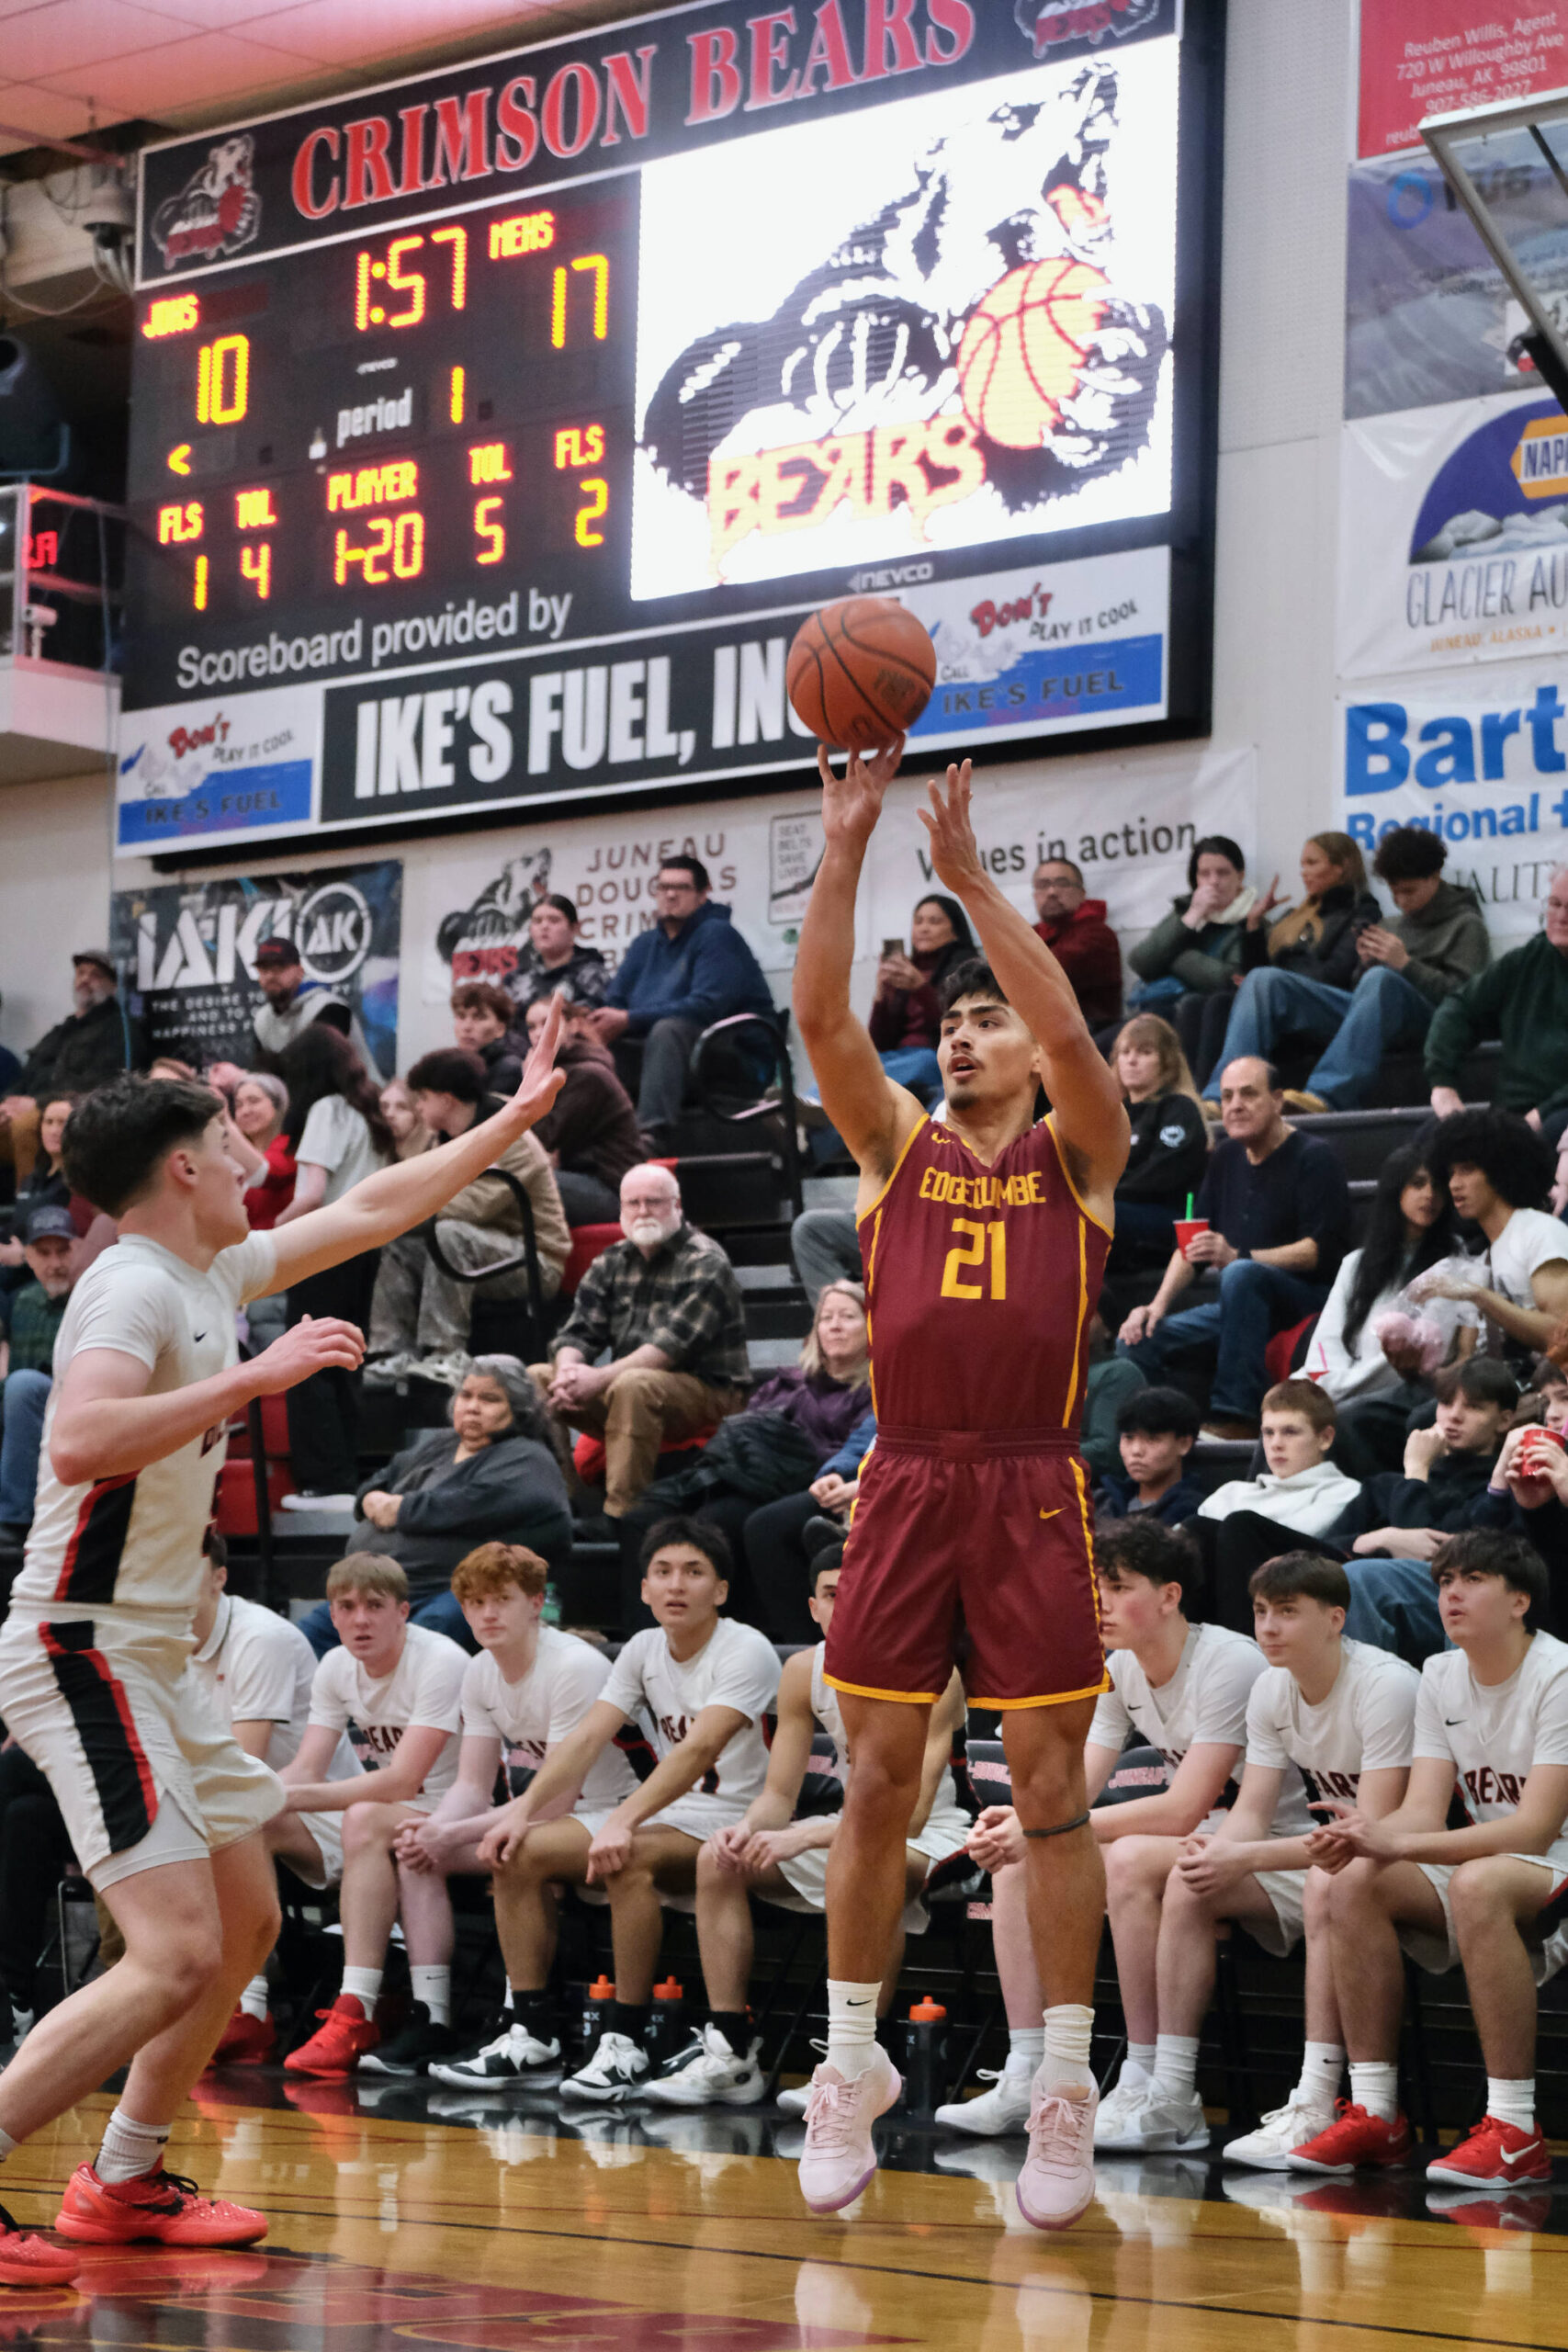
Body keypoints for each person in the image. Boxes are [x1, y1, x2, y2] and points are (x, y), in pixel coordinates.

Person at [0, 1011, 567, 2282]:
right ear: (186, 1168)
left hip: (152, 1658)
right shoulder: (136, 1284)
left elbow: (373, 1211)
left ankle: (126, 2179)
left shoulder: (207, 1268)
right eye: (223, 1126)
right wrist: (252, 1386)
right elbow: (81, 1441)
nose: (248, 1134)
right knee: (177, 1951)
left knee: (246, 1922)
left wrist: (510, 1126)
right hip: (84, 1648)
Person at [790, 744, 1129, 2230]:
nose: (971, 1040)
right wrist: (848, 844)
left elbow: (1073, 1043)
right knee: (873, 1777)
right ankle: (848, 2063)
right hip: (908, 1480)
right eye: (957, 1027)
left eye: (993, 1021)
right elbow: (817, 1018)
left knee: (1050, 1796)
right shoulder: (892, 1151)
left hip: (1034, 1490)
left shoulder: (1085, 1159)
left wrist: (979, 889)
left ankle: (1062, 2083)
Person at [954, 1519, 1281, 2148]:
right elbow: (1074, 1787)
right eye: (1093, 1587)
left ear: (1169, 1596)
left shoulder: (1229, 1661)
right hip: (1192, 1841)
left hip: (1260, 1841)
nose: (1099, 1602)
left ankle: (1149, 2078)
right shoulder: (1119, 1667)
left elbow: (1181, 1809)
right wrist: (1019, 1824)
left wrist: (1041, 1828)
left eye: (1118, 1586)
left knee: (1125, 1858)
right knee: (1017, 1863)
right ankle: (1029, 2067)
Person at [650, 1544, 969, 2110]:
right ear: (813, 1609)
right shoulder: (802, 1671)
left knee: (876, 1867)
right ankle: (730, 2047)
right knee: (717, 1861)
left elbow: (910, 1815)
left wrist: (810, 1834)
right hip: (850, 1828)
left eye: (858, 1593)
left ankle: (858, 2058)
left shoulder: (934, 1673)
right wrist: (747, 1830)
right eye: (830, 1595)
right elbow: (777, 1796)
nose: (844, 1606)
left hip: (931, 1835)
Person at [474, 1519, 782, 2102]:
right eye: (663, 1572)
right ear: (643, 1589)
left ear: (720, 1591)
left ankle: (625, 2039)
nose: (676, 1585)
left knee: (627, 1853)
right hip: (670, 1813)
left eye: (694, 1573)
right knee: (518, 1852)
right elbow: (587, 1738)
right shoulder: (642, 1647)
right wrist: (522, 1810)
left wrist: (623, 1818)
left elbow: (698, 1750)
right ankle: (532, 2032)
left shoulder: (747, 1649)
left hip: (738, 1817)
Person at [1300, 1531, 1568, 2188]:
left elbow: (1533, 1830)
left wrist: (1399, 1842)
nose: (1451, 1593)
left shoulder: (1558, 1675)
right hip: (1495, 1861)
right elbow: (1420, 1811)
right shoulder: (1440, 1674)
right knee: (1354, 1881)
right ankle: (1374, 2111)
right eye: (1444, 1580)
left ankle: (1514, 2128)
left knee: (1475, 1884)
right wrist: (1369, 1835)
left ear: (1518, 1601)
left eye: (1472, 1579)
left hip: (1550, 1861)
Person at [1157, 1553, 1420, 2168]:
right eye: (1259, 1612)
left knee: (1332, 1880)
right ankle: (1166, 2091)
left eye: (1286, 1612)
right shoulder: (1272, 1687)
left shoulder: (1387, 1685)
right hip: (1328, 1856)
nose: (1268, 1627)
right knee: (1190, 1879)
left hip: (1399, 1862)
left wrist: (1243, 1854)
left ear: (1335, 1618)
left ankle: (1315, 2097)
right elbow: (1250, 1812)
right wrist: (1224, 1853)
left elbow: (1371, 1833)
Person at [397, 1542, 640, 2090]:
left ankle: (531, 2029)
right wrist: (437, 1831)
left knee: (517, 1850)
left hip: (617, 1811)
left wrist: (455, 1831)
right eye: (475, 1602)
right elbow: (470, 1784)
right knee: (415, 1850)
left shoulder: (573, 1665)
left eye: (501, 1599)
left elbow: (554, 1801)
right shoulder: (480, 1672)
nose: (487, 1614)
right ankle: (431, 2016)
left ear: (535, 1603)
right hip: (553, 1818)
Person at [269, 1555, 468, 2077]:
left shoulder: (440, 1660)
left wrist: (290, 1798)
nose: (361, 1620)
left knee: (364, 1817)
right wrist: (251, 1795)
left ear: (403, 1612)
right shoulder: (335, 1666)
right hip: (396, 1812)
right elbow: (307, 1766)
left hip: (464, 1810)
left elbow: (403, 1779)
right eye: (347, 1607)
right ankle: (248, 2003)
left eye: (375, 1607)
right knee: (250, 1821)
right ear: (331, 1616)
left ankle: (356, 2005)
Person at [193, 1532, 363, 2066]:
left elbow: (249, 1765)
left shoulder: (258, 1637)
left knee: (235, 1818)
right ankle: (150, 1986)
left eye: (184, 1567)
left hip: (326, 1814)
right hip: (238, 1806)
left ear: (219, 1576)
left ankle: (249, 2008)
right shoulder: (158, 1641)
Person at [1118, 1057, 1352, 1440]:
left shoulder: (1315, 1156)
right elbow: (1193, 1245)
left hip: (1307, 1299)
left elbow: (1317, 1251)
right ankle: (1159, 1433)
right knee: (1139, 1337)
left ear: (1277, 1100)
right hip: (1241, 1301)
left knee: (1242, 1275)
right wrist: (1155, 1307)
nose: (1235, 1105)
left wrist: (1238, 1257)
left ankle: (1237, 1414)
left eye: (1248, 1094)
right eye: (1226, 1096)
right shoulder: (1226, 1157)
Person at [628, 1280, 872, 1622]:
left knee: (723, 1520)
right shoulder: (789, 1381)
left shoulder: (874, 1390)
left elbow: (853, 1451)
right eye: (825, 1317)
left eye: (847, 1316)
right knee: (644, 1513)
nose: (833, 1325)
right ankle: (649, 1629)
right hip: (756, 1475)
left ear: (873, 1326)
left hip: (805, 1480)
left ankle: (751, 1630)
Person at [295, 1359, 572, 1657]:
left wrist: (401, 1509)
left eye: (489, 1399)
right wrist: (369, 1499)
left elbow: (472, 1503)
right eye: (466, 1396)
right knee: (301, 1642)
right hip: (374, 1592)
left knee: (423, 1645)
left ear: (518, 1410)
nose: (473, 1407)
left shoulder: (527, 1458)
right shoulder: (441, 1444)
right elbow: (378, 1481)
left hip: (448, 1592)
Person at [1205, 829, 1487, 1115]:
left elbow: (1467, 1002)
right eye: (1394, 892)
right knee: (1263, 980)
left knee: (1381, 980)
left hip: (1429, 1023)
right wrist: (1365, 964)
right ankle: (1223, 1095)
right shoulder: (1391, 924)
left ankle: (1326, 1095)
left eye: (1409, 891)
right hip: (1379, 1017)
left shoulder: (1466, 924)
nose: (1401, 901)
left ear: (1435, 876)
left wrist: (1405, 964)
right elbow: (1362, 995)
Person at [536, 1163, 749, 1519]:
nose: (643, 1211)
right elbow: (579, 1331)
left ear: (677, 1206)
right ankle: (564, 1502)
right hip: (633, 1386)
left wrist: (598, 1379)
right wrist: (567, 1372)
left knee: (635, 1385)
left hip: (712, 1394)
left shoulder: (706, 1261)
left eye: (654, 1202)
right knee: (534, 1379)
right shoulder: (613, 1260)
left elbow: (670, 1349)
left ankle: (622, 1514)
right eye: (632, 1203)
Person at [365, 1048, 569, 1388]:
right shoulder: (441, 1139)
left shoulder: (511, 1136)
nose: (418, 1107)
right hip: (478, 1248)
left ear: (446, 1101)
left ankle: (445, 1353)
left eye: (423, 1098)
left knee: (449, 1233)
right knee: (398, 1240)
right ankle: (393, 1352)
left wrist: (409, 1205)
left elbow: (472, 1207)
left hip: (536, 1259)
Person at [1322, 1359, 1521, 1664]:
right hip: (1370, 1603)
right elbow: (1323, 1549)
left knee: (1360, 1577)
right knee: (1244, 1529)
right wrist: (1375, 1539)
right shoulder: (1387, 1485)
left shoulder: (1496, 1490)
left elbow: (1428, 1554)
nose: (1453, 1416)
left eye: (1473, 1407)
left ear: (1504, 1420)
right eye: (1445, 1403)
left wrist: (1416, 1470)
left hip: (1439, 1605)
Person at [273, 1025, 394, 1507]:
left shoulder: (325, 1110)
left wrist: (262, 1236)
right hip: (367, 1246)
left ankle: (323, 1480)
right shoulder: (368, 1109)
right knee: (344, 1359)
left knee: (309, 1361)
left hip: (325, 1244)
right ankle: (341, 1474)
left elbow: (311, 1196)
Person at [587, 857, 777, 1148]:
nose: (670, 895)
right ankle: (589, 1142)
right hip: (667, 1058)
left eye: (681, 887)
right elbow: (615, 1002)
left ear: (703, 894)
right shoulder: (644, 945)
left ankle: (651, 1139)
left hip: (735, 1056)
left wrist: (629, 1019)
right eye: (663, 887)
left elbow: (706, 1007)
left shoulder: (718, 935)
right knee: (595, 1044)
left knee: (668, 1030)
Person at [1305, 1145, 1467, 1479]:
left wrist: (1338, 1393)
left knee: (1347, 1416)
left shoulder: (1454, 1263)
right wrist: (1329, 1388)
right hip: (1346, 1386)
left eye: (1438, 1186)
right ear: (1396, 1189)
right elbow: (1327, 1343)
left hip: (1418, 1389)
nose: (1430, 1195)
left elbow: (1416, 1359)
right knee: (1284, 1411)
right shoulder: (1356, 1264)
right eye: (1417, 1184)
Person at [1199, 835, 1381, 1109]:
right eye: (1301, 864)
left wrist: (1288, 961)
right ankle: (1201, 1104)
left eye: (1312, 863)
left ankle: (1220, 1095)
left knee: (1265, 981)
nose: (1303, 872)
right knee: (1211, 1004)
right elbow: (1257, 975)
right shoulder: (1294, 915)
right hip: (1286, 1000)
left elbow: (1337, 974)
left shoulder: (1361, 913)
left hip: (1334, 1006)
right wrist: (1254, 926)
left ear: (1341, 867)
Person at [1413, 1110, 1568, 1362]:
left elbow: (1562, 1336)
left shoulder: (1541, 1232)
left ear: (1500, 1171)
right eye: (1451, 1173)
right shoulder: (1488, 1254)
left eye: (1467, 1170)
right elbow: (1467, 1360)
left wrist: (1478, 1295)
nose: (1454, 1184)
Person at [1427, 867, 1568, 1141]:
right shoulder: (1527, 959)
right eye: (1555, 904)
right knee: (1430, 1142)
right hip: (1512, 1113)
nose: (1562, 917)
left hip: (1558, 1114)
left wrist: (1542, 1113)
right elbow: (1459, 1008)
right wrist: (1442, 1084)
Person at [1127, 836, 1256, 1090]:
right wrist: (1192, 917)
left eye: (1222, 873)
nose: (1213, 881)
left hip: (1210, 1012)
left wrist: (1177, 956)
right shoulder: (1185, 912)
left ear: (1240, 877)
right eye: (1204, 874)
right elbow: (1141, 961)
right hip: (1163, 1007)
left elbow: (1227, 978)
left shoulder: (1251, 920)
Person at [523, 992, 644, 1225]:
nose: (539, 1033)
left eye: (548, 1023)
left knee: (519, 1184)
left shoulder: (588, 1075)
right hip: (583, 1178)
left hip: (615, 1192)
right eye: (531, 1027)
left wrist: (531, 1083)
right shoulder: (566, 1070)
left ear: (574, 1025)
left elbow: (542, 1137)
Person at [0, 1207, 78, 1558]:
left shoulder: (91, 1297)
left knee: (22, 1385)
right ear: (27, 1256)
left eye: (62, 1251)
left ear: (77, 1249)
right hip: (27, 1410)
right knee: (19, 1387)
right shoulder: (21, 1302)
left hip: (78, 1407)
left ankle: (15, 1518)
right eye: (44, 1253)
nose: (55, 1263)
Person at [1106, 1014, 1209, 1274]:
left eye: (1144, 1051)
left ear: (1167, 1063)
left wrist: (1102, 1196)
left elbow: (1163, 1174)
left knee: (1092, 1215)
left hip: (1165, 1218)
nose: (1131, 1060)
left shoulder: (1179, 1109)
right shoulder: (1111, 1115)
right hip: (1117, 1209)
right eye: (1125, 1052)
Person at [2, 952, 148, 1135]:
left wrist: (37, 1103)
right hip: (32, 1108)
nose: (85, 979)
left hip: (76, 1115)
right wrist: (6, 1103)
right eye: (81, 973)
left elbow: (104, 1085)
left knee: (24, 1127)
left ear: (113, 987)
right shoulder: (60, 1031)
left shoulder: (120, 1030)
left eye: (95, 975)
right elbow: (27, 1075)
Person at [864, 894, 976, 1102]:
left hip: (938, 1055)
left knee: (923, 1060)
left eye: (934, 922)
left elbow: (959, 1024)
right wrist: (881, 994)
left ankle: (834, 1096)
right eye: (918, 921)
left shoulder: (968, 969)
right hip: (900, 1058)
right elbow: (879, 1043)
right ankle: (812, 1102)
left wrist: (920, 988)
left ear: (955, 932)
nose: (923, 928)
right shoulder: (907, 969)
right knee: (857, 1060)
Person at [1031, 856, 1122, 1032]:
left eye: (1062, 883)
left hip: (1090, 1035)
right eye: (1043, 885)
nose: (1052, 892)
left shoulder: (1097, 934)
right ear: (1035, 895)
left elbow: (1046, 974)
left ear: (1082, 893)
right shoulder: (1031, 934)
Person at [250, 936, 372, 1068]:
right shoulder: (262, 1020)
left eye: (279, 968)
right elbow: (264, 1075)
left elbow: (319, 1075)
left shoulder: (329, 1008)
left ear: (300, 972)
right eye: (263, 970)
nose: (270, 976)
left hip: (357, 1087)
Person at [1097, 1386, 1204, 1524]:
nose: (1136, 1451)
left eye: (1152, 1439)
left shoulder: (1196, 1512)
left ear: (1184, 1444)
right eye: (1129, 1438)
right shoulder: (1101, 1501)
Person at [0, 1095, 74, 1276]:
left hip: (43, 1270)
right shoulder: (34, 1176)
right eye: (48, 1122)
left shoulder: (78, 1182)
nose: (54, 1130)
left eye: (62, 1123)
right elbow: (15, 1223)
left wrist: (24, 1255)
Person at [502, 892, 610, 1012]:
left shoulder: (592, 975)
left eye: (554, 920)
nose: (544, 926)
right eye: (537, 921)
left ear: (574, 928)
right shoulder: (516, 979)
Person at [451, 981, 527, 1095]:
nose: (466, 1027)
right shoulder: (454, 1062)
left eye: (479, 1017)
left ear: (500, 1029)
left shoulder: (509, 1068)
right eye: (461, 1016)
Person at [380, 1078, 428, 1160]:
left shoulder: (431, 1151)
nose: (389, 1114)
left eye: (401, 1107)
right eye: (385, 1106)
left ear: (417, 1115)